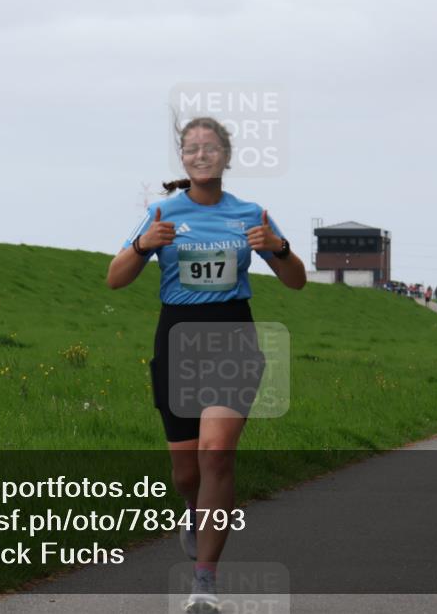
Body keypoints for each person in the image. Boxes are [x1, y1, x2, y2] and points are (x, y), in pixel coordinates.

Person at [107, 116, 306, 612]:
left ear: (226, 156)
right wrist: (141, 246)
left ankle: (204, 582)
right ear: (183, 158)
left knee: (216, 455)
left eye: (210, 148)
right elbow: (114, 278)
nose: (201, 155)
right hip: (177, 340)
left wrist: (278, 249)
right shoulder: (162, 212)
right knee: (186, 474)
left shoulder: (250, 213)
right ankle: (193, 514)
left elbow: (296, 280)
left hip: (233, 338)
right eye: (192, 148)